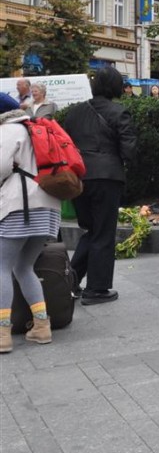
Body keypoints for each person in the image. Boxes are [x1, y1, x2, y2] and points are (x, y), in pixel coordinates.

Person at [62, 66, 137, 304]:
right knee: (103, 232)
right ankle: (97, 289)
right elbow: (129, 148)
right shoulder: (118, 112)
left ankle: (68, 282)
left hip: (79, 177)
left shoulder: (74, 113)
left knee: (90, 230)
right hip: (106, 177)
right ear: (115, 86)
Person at [0, 107, 63, 353]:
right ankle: (41, 326)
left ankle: (2, 332)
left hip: (20, 206)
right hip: (48, 206)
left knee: (1, 267)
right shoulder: (37, 129)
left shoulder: (9, 130)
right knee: (23, 267)